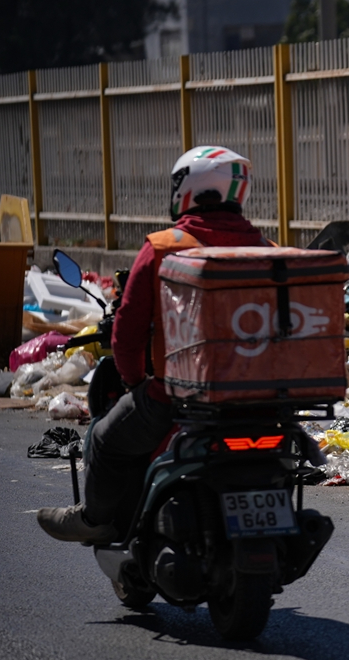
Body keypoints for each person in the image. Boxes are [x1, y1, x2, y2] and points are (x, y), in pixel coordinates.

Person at [37, 146, 270, 544]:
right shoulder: (265, 249)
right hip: (257, 398)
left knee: (105, 440)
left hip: (177, 397)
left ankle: (96, 520)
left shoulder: (165, 246)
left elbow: (127, 329)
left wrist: (134, 381)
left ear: (190, 189)